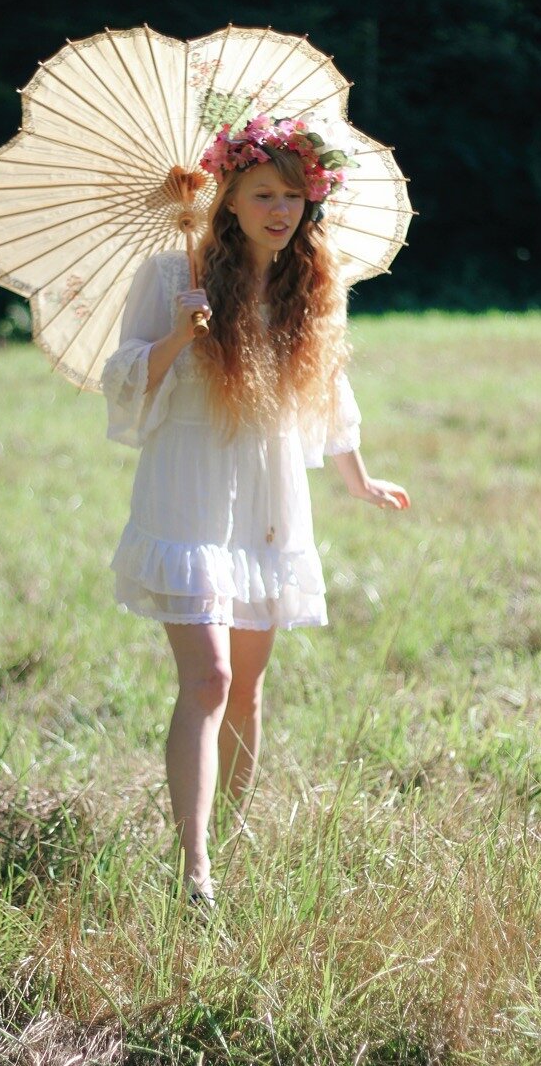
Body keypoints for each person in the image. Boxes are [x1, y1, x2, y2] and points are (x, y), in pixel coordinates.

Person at [101, 115, 410, 907]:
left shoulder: (312, 288)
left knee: (246, 688)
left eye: (293, 196)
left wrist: (359, 479)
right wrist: (178, 336)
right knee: (208, 677)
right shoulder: (170, 275)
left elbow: (329, 392)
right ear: (229, 198)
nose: (280, 210)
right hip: (189, 490)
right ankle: (194, 869)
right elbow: (123, 382)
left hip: (268, 499)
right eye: (264, 194)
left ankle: (230, 836)